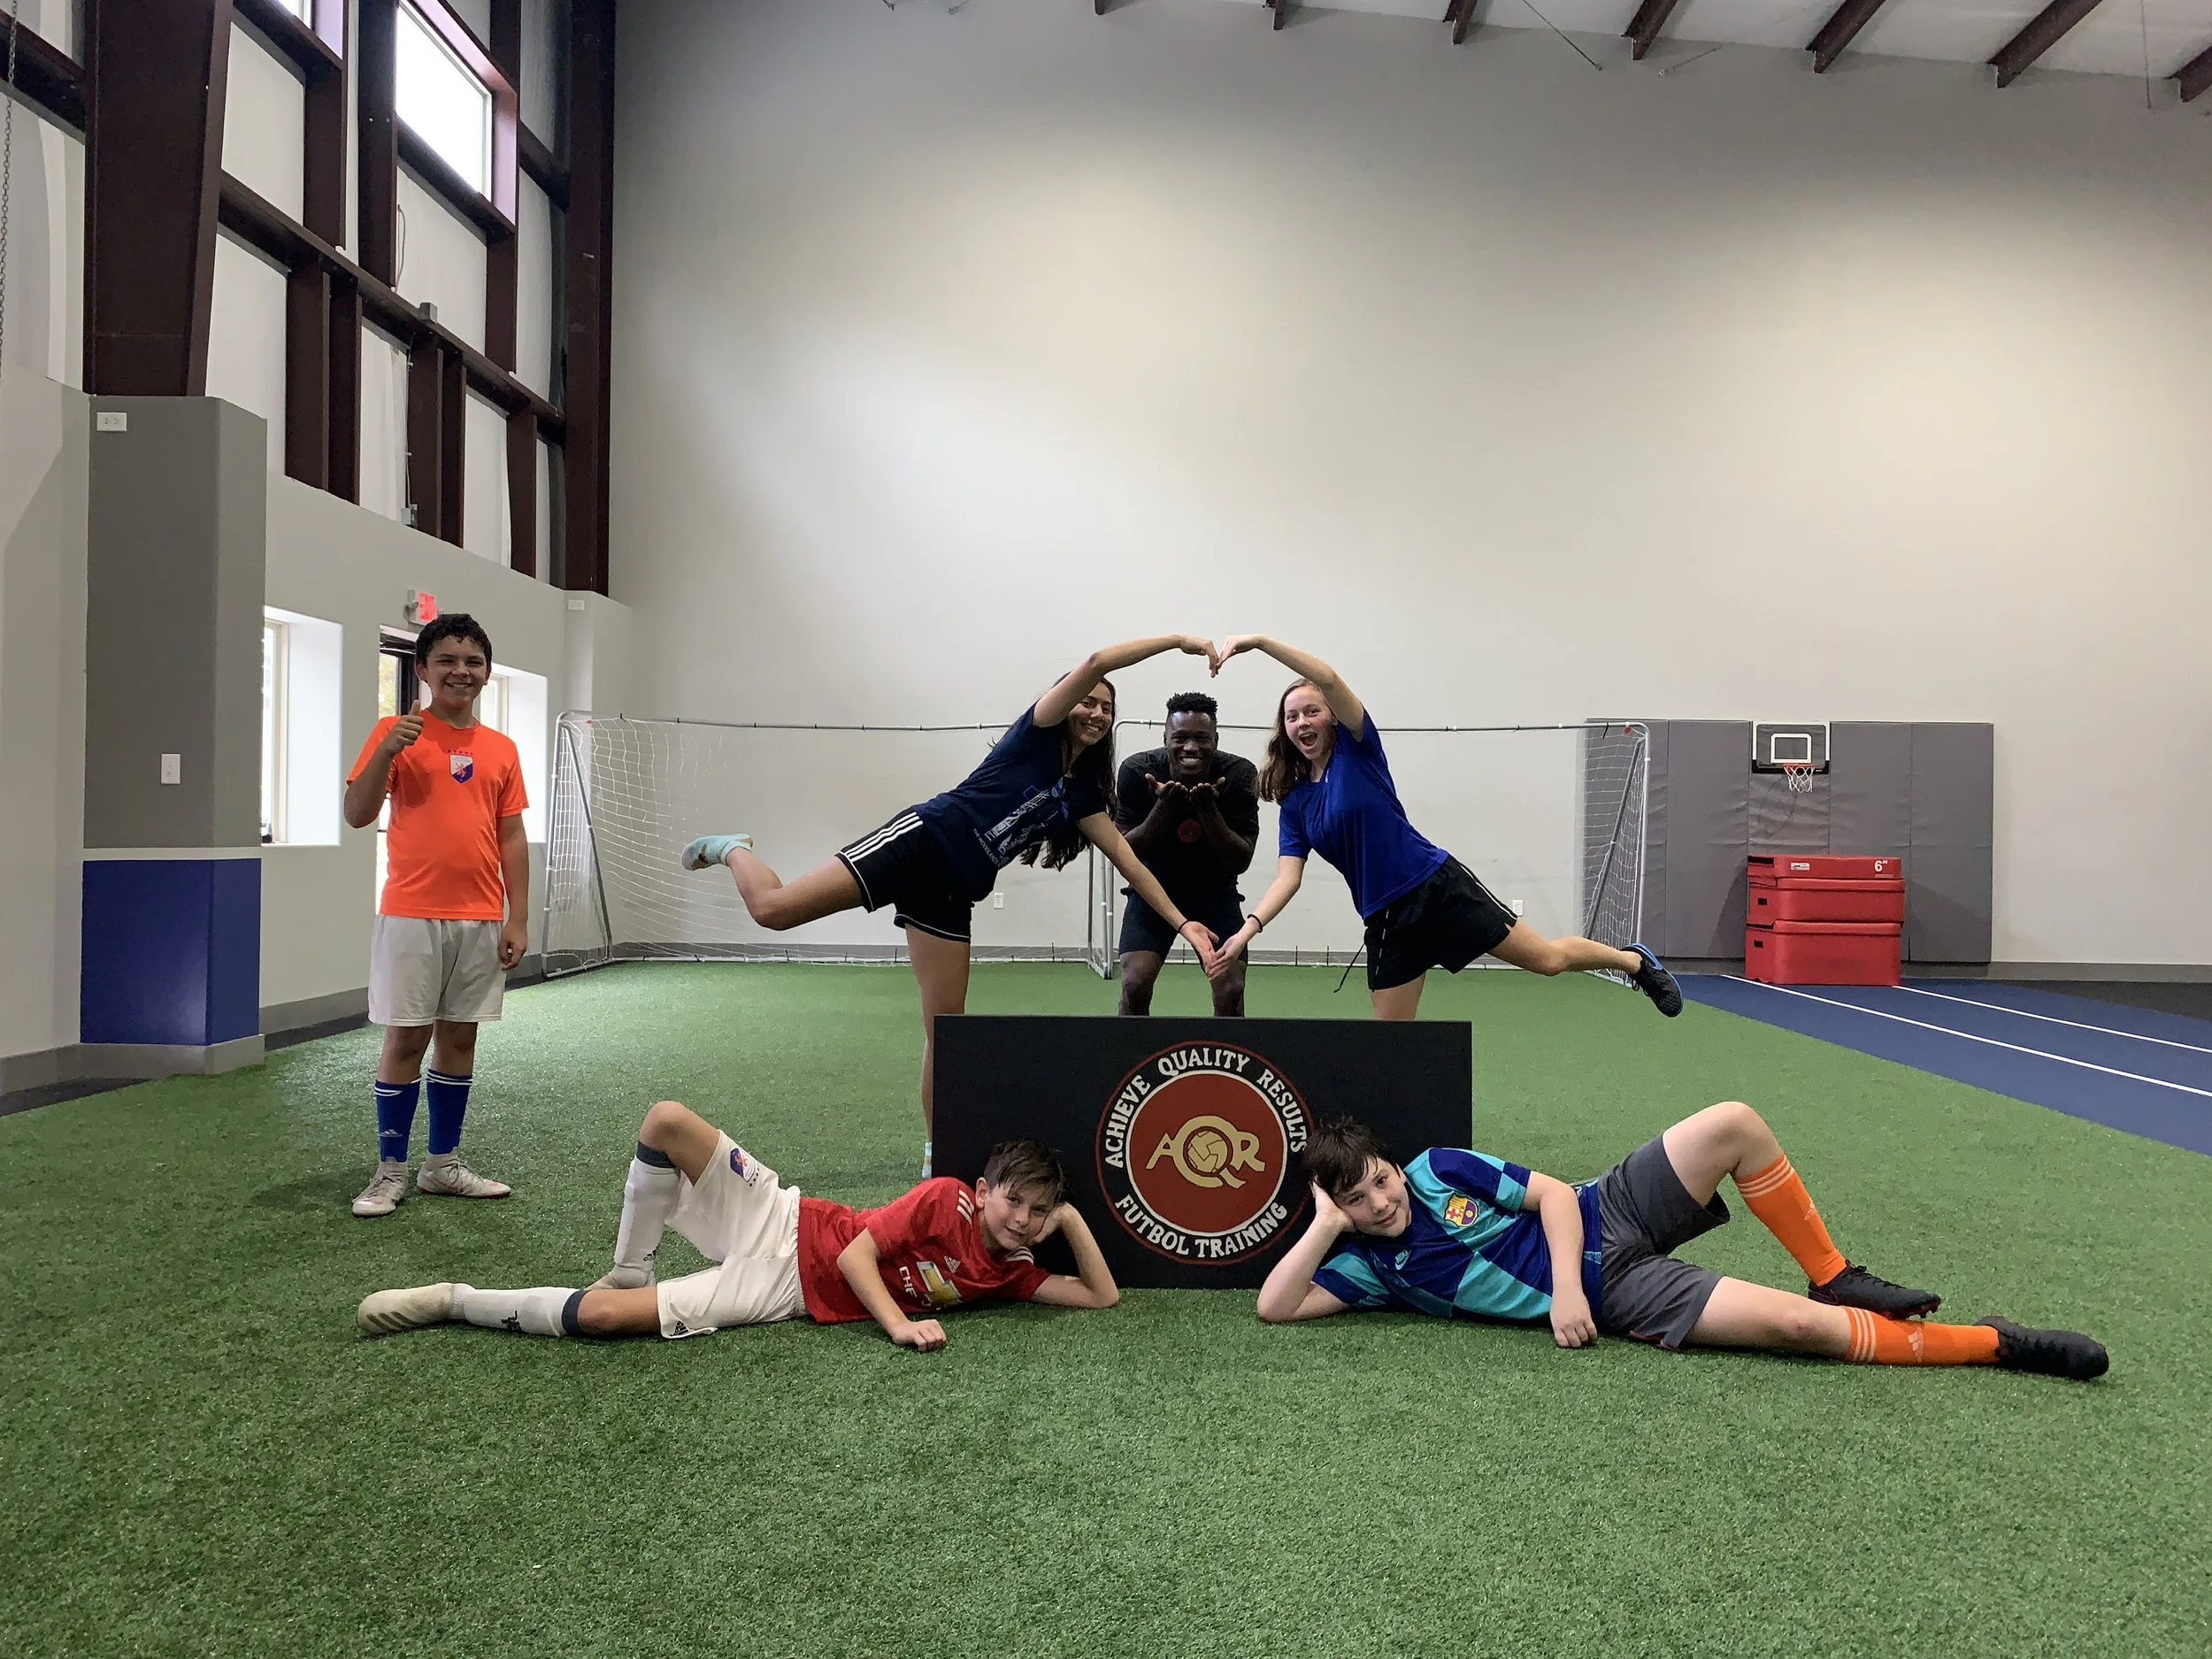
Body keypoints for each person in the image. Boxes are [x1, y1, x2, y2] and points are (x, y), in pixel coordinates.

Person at [680, 635, 1225, 1174]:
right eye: (1088, 701)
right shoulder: (1034, 735)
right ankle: (731, 849)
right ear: (1066, 701)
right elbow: (1098, 659)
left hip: (950, 893)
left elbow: (1129, 861)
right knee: (774, 911)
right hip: (919, 843)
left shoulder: (1081, 795)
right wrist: (1178, 641)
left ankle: (935, 1154)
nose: (1097, 713)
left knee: (945, 1031)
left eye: (1107, 708)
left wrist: (1184, 924)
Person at [1256, 1102, 2108, 1381]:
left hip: (1605, 1210)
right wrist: (1325, 1224)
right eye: (1358, 1199)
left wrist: (1566, 1289)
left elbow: (1552, 1197)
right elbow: (1275, 1307)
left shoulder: (1439, 1166)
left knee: (1734, 1123)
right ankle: (1995, 1343)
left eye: (1380, 1179)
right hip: (1625, 1295)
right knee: (1799, 1330)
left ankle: (1833, 1271)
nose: (1382, 1200)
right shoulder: (1374, 1268)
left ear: (1391, 1164)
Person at [356, 1101, 1119, 1350]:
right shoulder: (946, 1198)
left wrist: (1072, 1219)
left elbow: (1100, 1297)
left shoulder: (1010, 1272)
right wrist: (899, 1325)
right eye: (1015, 1201)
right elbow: (856, 1256)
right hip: (787, 1216)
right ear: (984, 1191)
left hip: (781, 1289)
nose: (1023, 1220)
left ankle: (454, 1298)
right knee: (666, 1121)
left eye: (1038, 1211)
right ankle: (630, 1263)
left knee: (601, 1319)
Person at [1202, 634, 1680, 1021]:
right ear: (1283, 728)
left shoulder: (1357, 747)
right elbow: (1287, 878)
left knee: (1548, 961)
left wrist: (1261, 644)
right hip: (1386, 920)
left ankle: (1633, 961)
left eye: (1312, 711)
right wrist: (1245, 933)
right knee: (1391, 1040)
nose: (1302, 722)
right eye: (1292, 716)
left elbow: (1328, 677)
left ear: (1331, 717)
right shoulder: (1294, 802)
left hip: (1436, 887)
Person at [342, 614, 527, 1218]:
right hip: (411, 914)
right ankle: (389, 1170)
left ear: (487, 672)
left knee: (460, 1037)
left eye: (473, 661)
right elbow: (357, 813)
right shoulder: (394, 733)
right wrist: (386, 752)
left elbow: (511, 836)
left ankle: (441, 1165)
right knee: (405, 1038)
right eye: (447, 660)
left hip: (480, 917)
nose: (460, 671)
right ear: (421, 669)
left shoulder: (501, 749)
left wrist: (517, 916)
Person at [1113, 690, 1259, 1018]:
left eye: (1201, 738)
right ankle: (1131, 1048)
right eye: (1180, 738)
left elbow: (1241, 860)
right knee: (1135, 982)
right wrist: (1164, 808)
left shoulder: (1239, 774)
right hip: (1152, 893)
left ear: (1216, 740)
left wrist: (1208, 810)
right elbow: (1124, 855)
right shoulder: (1137, 771)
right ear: (1166, 739)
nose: (1191, 747)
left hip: (1216, 893)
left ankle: (1224, 1051)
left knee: (1230, 988)